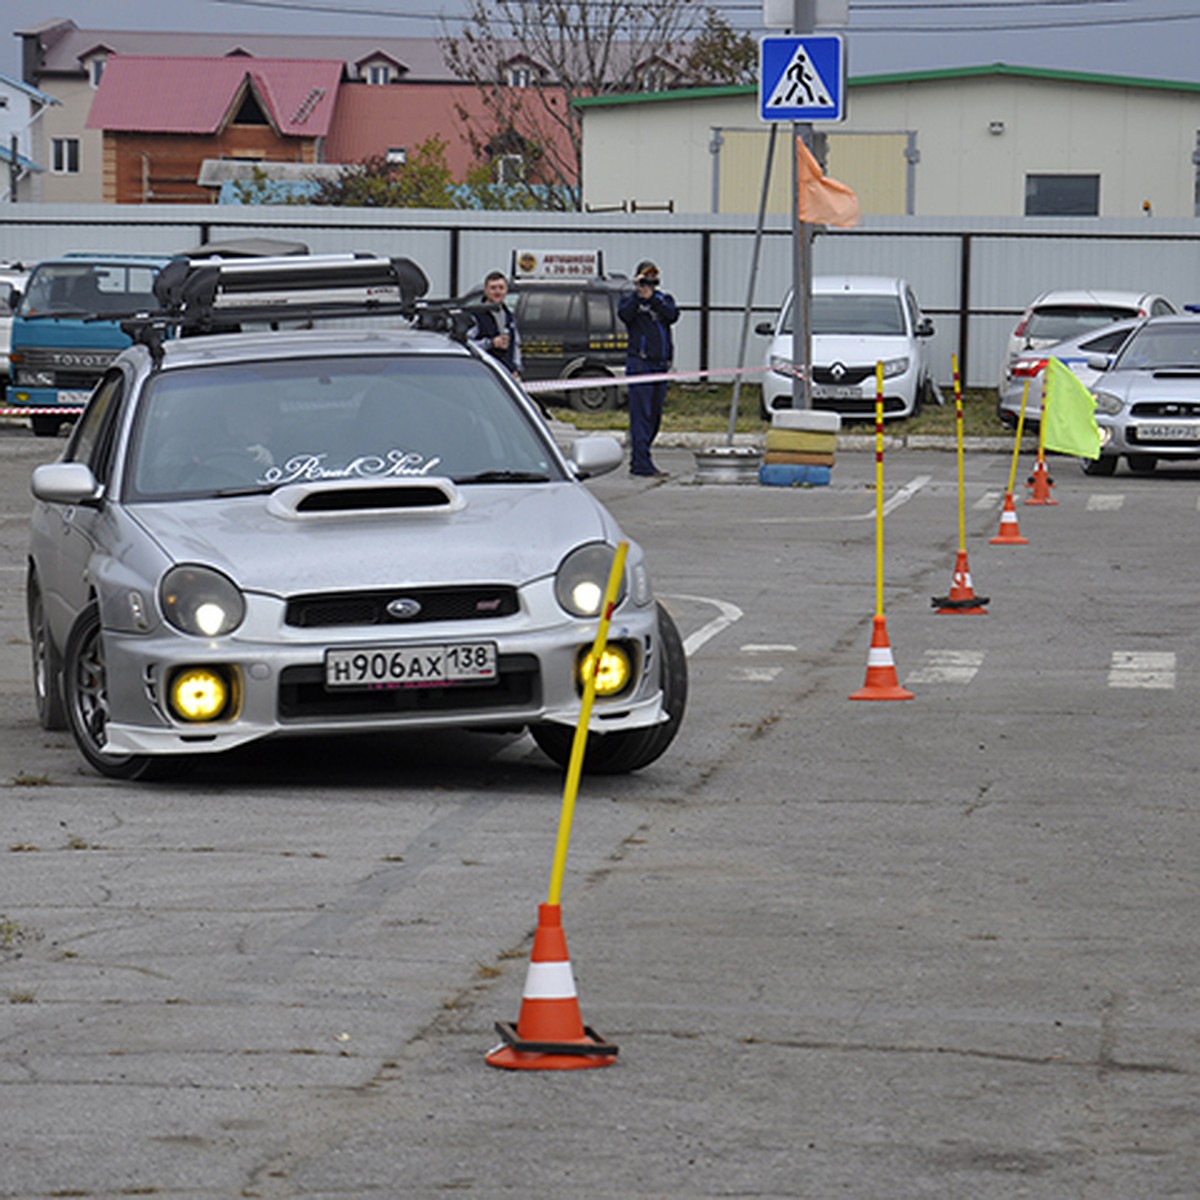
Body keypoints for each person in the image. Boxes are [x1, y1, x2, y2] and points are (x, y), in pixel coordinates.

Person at [618, 260, 679, 477]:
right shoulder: (630, 302)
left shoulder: (663, 299)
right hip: (640, 364)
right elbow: (624, 315)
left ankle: (641, 456)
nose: (647, 284)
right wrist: (637, 295)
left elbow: (672, 315)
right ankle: (641, 463)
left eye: (651, 279)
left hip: (660, 365)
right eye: (644, 279)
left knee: (654, 416)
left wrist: (652, 298)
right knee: (640, 415)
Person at [470, 270, 522, 378]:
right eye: (493, 288)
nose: (497, 292)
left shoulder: (509, 315)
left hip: (507, 374)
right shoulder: (476, 316)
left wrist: (516, 367)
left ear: (506, 291)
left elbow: (516, 344)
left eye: (501, 288)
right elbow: (467, 344)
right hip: (484, 374)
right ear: (486, 291)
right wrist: (490, 343)